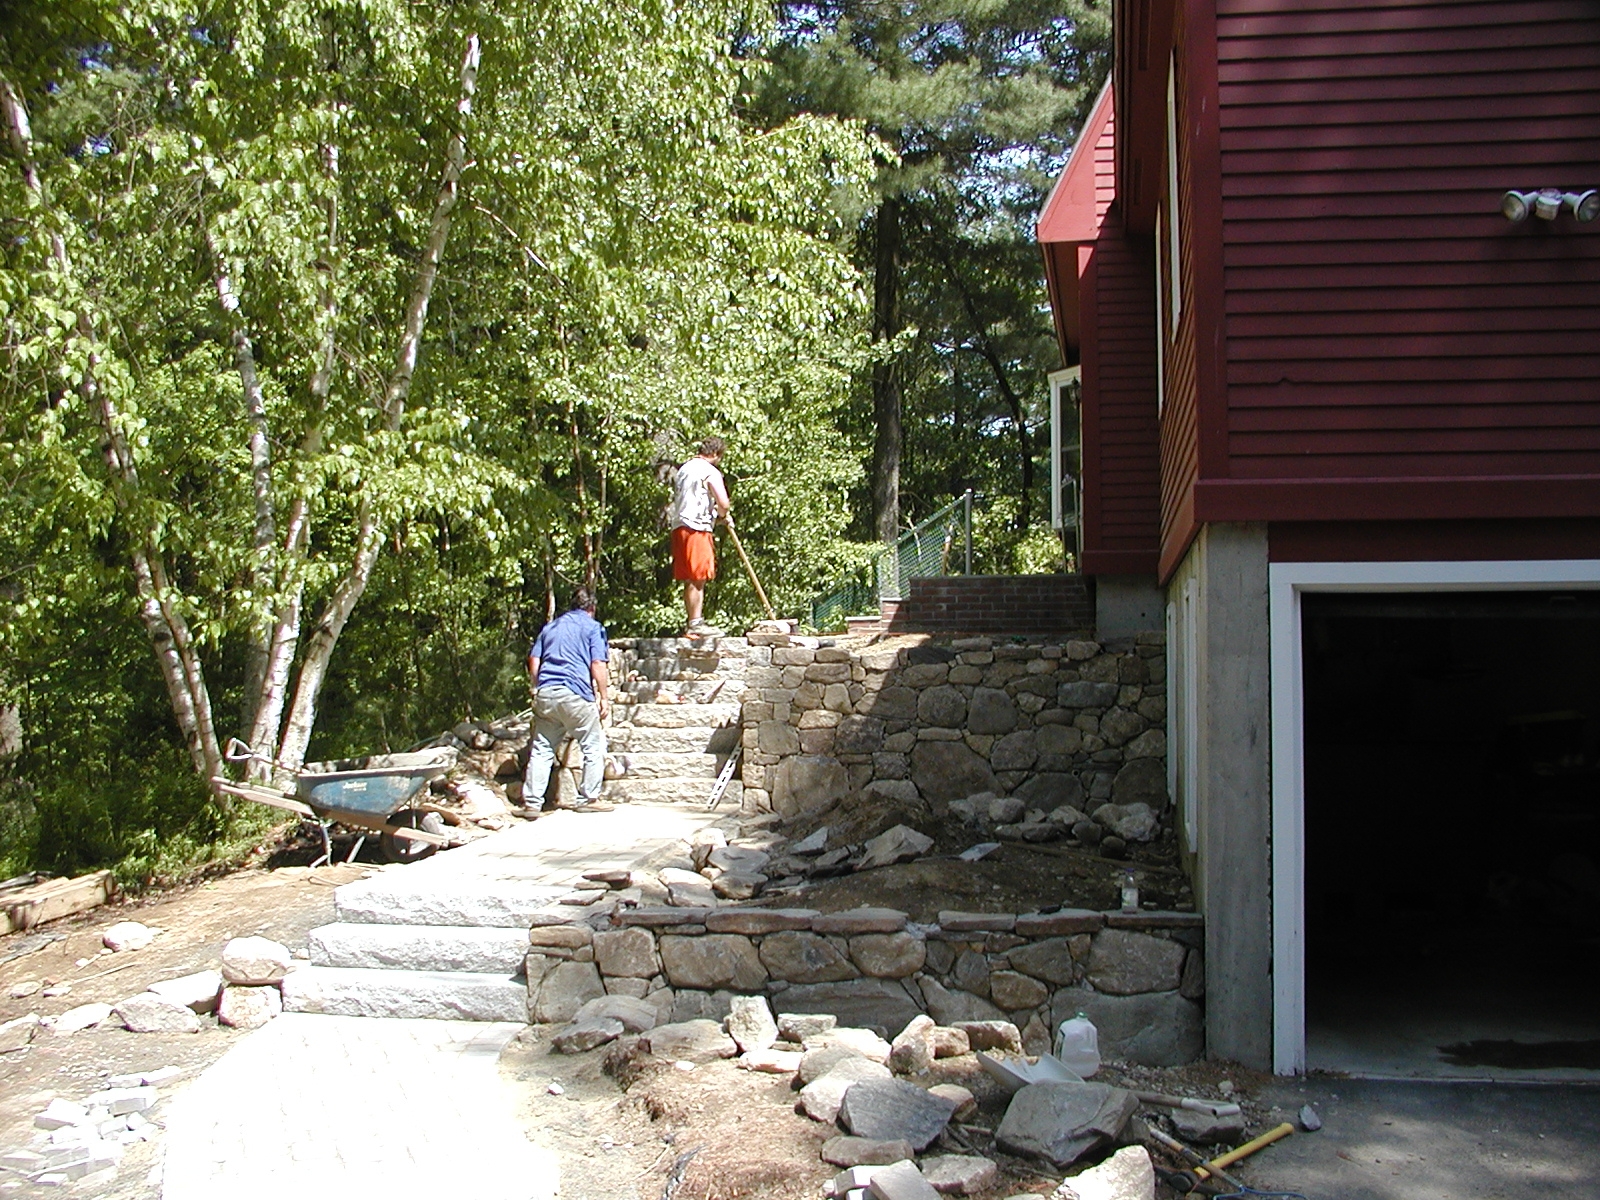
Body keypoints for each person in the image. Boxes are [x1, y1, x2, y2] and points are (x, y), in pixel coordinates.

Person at [522, 587, 613, 815]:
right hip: (575, 693)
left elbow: (534, 660)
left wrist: (538, 685)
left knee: (542, 749)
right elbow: (597, 663)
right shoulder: (593, 628)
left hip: (547, 693)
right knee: (592, 746)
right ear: (592, 608)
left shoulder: (550, 627)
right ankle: (588, 798)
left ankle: (532, 803)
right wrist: (603, 696)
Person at [671, 436, 732, 637]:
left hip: (679, 526)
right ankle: (696, 623)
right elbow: (723, 503)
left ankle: (693, 622)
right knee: (698, 576)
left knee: (690, 577)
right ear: (715, 454)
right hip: (697, 527)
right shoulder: (709, 471)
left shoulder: (684, 469)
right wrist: (722, 515)